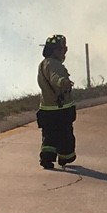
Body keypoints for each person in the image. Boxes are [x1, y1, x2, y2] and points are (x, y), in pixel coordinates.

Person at [37, 33, 78, 170]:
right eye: (62, 50)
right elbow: (55, 78)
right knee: (65, 136)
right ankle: (65, 157)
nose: (64, 53)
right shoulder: (54, 64)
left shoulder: (43, 64)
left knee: (49, 136)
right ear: (55, 51)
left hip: (46, 109)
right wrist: (63, 82)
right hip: (60, 110)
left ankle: (46, 160)